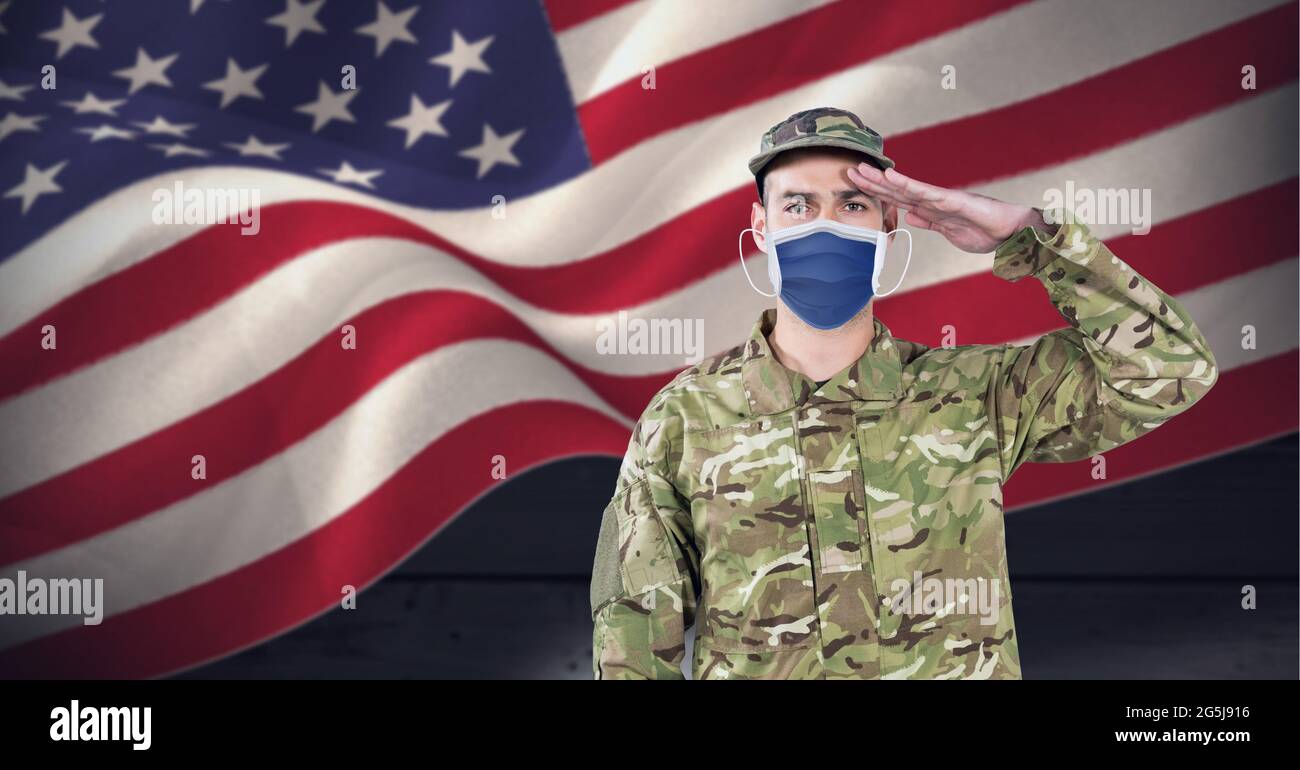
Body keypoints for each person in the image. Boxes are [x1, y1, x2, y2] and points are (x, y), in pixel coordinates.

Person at [588, 107, 1218, 679]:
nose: (825, 226)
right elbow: (634, 637)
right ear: (761, 225)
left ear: (890, 225)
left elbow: (1171, 367)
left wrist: (1029, 237)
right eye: (798, 205)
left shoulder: (977, 394)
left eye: (853, 205)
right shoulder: (686, 416)